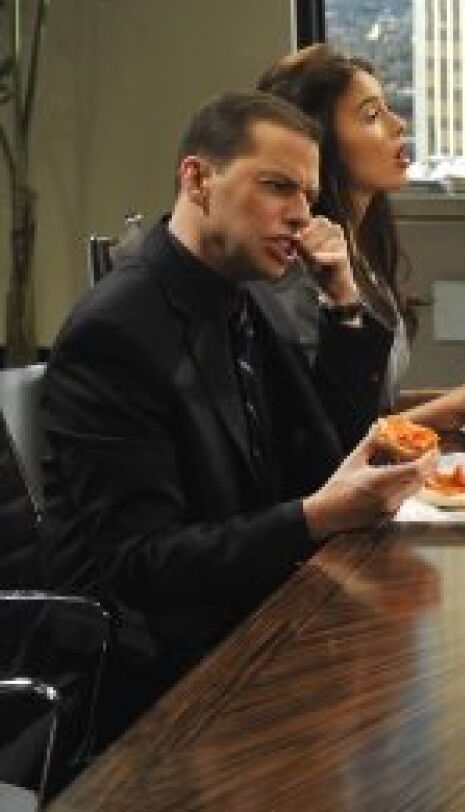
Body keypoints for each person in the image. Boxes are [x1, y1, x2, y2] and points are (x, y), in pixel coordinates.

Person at [38, 91, 437, 740]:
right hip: (153, 681)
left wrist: (343, 304)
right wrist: (318, 515)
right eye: (278, 187)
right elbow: (141, 565)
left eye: (309, 196)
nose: (302, 216)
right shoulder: (115, 332)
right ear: (198, 180)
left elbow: (327, 455)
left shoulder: (235, 299)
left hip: (242, 625)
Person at [257, 44, 465, 429]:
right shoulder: (301, 268)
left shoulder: (362, 246)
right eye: (372, 115)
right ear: (317, 140)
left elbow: (371, 405)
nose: (399, 125)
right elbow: (332, 438)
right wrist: (456, 408)